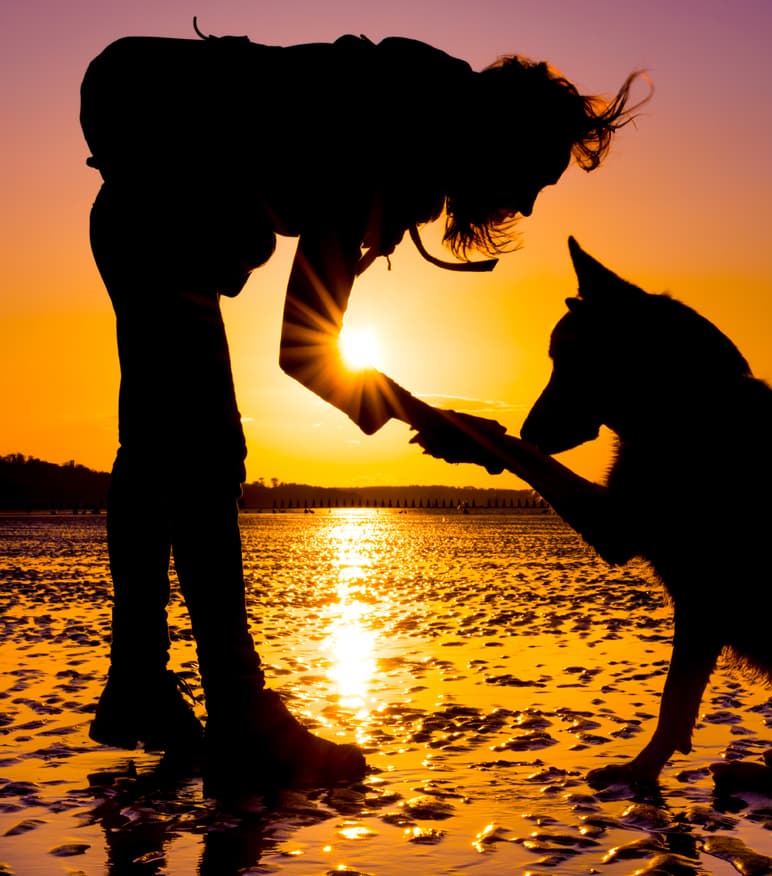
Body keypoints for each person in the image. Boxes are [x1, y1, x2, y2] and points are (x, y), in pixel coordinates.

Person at [80, 23, 645, 786]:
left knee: (156, 449)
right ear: (502, 137)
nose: (532, 206)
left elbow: (310, 341)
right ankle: (234, 712)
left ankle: (140, 685)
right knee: (206, 452)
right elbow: (307, 350)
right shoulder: (385, 133)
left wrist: (429, 418)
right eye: (537, 177)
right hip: (154, 184)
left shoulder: (401, 123)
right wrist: (432, 419)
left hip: (139, 188)